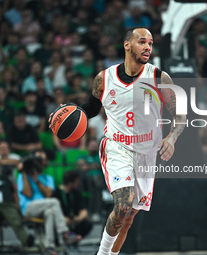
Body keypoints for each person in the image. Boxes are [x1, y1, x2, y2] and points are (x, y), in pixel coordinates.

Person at [49, 27, 186, 255]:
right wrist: (68, 113)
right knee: (123, 205)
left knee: (129, 216)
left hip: (147, 152)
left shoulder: (159, 78)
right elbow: (90, 109)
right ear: (127, 45)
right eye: (142, 42)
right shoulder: (104, 79)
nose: (147, 47)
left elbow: (180, 115)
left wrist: (172, 137)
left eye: (150, 44)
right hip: (117, 146)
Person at [17, 150, 81, 255]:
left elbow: (48, 195)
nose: (41, 162)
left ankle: (49, 246)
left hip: (44, 207)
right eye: (38, 159)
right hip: (28, 208)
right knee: (54, 202)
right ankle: (65, 233)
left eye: (43, 160)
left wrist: (36, 179)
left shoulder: (48, 178)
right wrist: (25, 172)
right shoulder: (22, 176)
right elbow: (27, 194)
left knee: (50, 212)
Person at [54, 170, 93, 238]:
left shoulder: (76, 193)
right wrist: (62, 219)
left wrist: (78, 219)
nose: (79, 184)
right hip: (61, 222)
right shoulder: (57, 192)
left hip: (73, 222)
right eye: (77, 182)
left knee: (87, 223)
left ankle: (73, 240)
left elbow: (84, 211)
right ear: (70, 183)